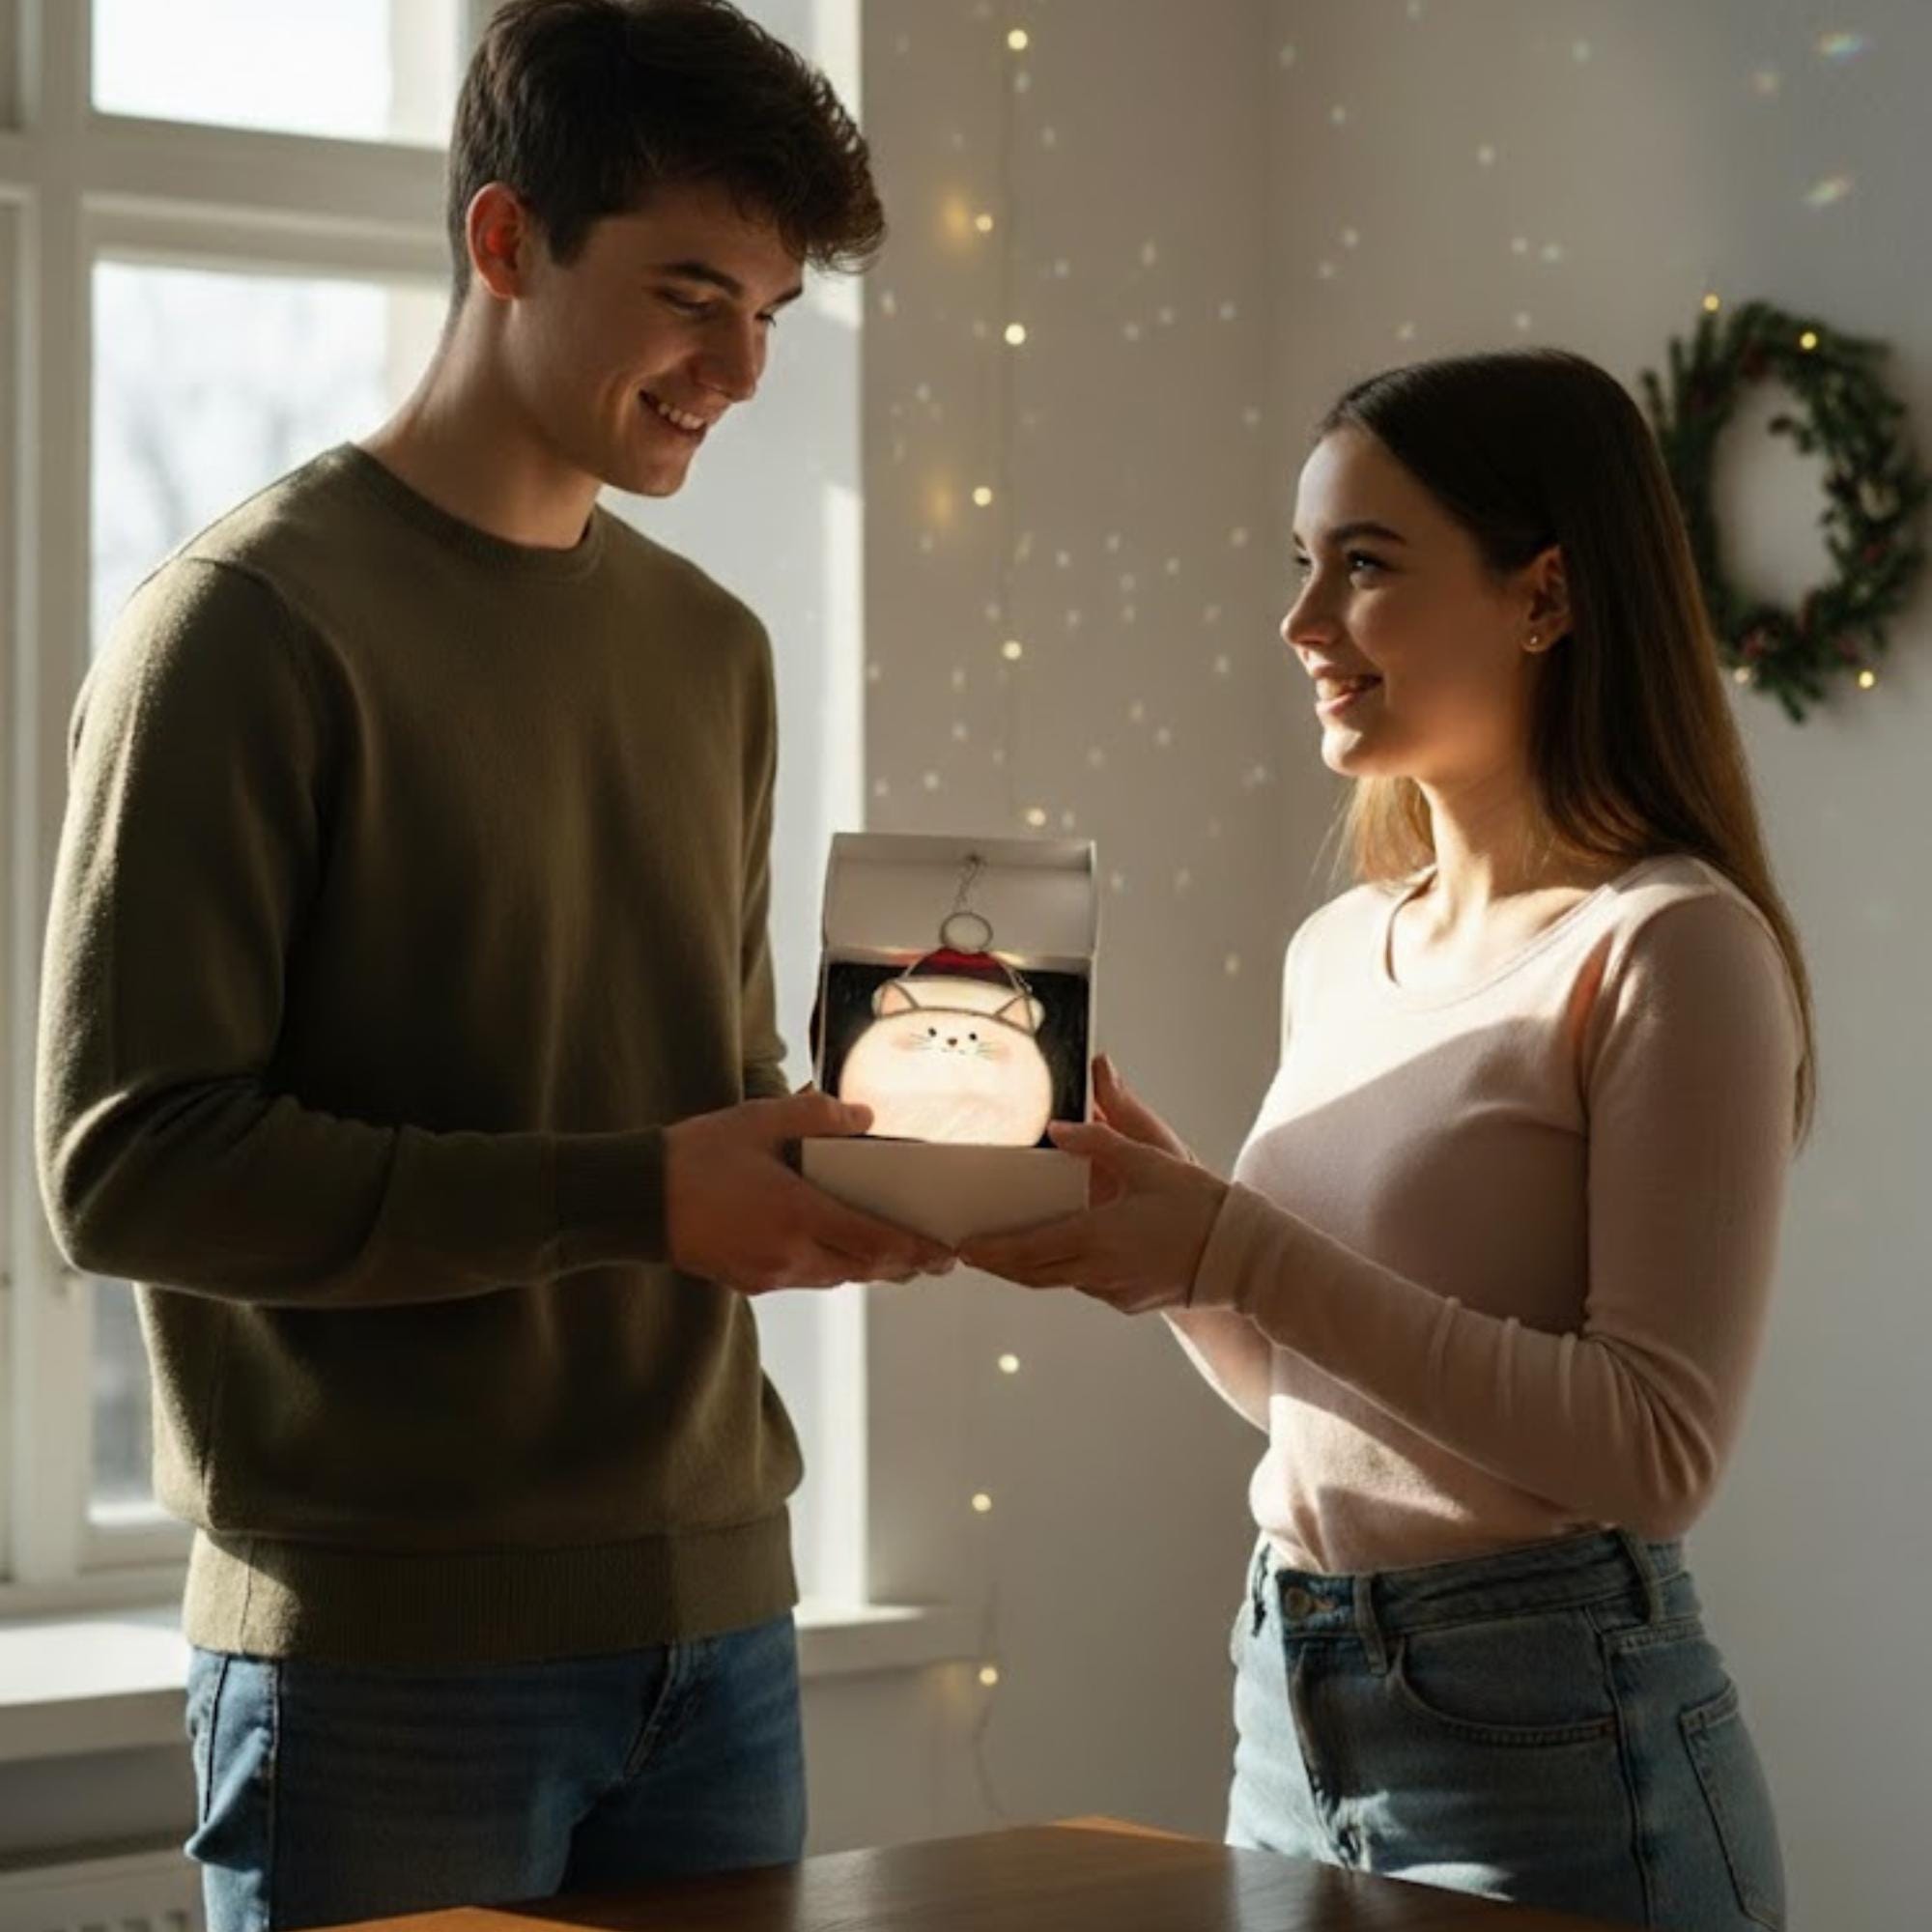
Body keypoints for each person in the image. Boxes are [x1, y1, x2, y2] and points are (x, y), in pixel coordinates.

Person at [34, 3, 952, 1925]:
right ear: (505, 242)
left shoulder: (714, 650)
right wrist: (638, 1193)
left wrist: (872, 1158)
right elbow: (128, 1167)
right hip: (377, 1657)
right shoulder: (238, 630)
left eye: (773, 311)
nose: (740, 368)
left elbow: (677, 1095)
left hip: (724, 1615)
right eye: (694, 293)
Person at [963, 349, 1808, 1930]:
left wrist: (1234, 1244)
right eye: (1303, 566)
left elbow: (1654, 1451)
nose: (1302, 625)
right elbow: (1325, 1405)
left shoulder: (1670, 947)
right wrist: (1169, 1256)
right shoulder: (1341, 948)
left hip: (1552, 1734)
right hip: (1287, 1692)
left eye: (1364, 567)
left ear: (1544, 595)